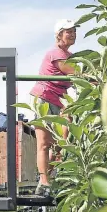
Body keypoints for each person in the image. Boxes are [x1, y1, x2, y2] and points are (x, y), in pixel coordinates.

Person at [30, 19, 77, 196]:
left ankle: (46, 178)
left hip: (57, 101)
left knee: (60, 143)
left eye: (74, 31)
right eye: (68, 31)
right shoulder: (55, 53)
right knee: (44, 144)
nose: (72, 34)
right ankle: (43, 182)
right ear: (59, 35)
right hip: (43, 99)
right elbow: (76, 74)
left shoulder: (70, 55)